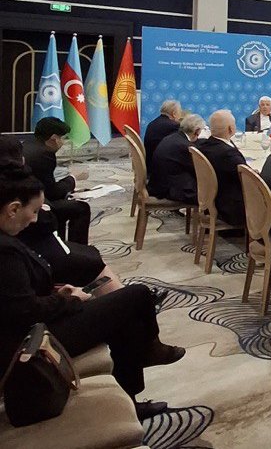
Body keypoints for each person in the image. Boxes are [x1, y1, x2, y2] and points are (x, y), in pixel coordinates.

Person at [0, 165, 185, 420]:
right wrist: (69, 300)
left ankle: (133, 389)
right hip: (29, 343)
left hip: (31, 328)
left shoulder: (8, 242)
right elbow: (25, 311)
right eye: (33, 211)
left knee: (126, 314)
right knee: (138, 296)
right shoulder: (5, 251)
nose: (34, 219)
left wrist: (57, 294)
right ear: (13, 209)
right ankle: (147, 353)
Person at [0, 137, 121, 294]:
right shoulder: (19, 182)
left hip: (34, 244)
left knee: (89, 253)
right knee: (92, 262)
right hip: (34, 251)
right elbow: (46, 212)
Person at [21, 117, 90, 244]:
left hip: (25, 197)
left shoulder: (29, 144)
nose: (63, 143)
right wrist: (73, 178)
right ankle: (77, 247)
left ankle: (62, 244)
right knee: (81, 208)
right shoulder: (44, 154)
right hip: (33, 205)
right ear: (53, 138)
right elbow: (52, 192)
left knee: (66, 202)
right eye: (62, 138)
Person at [195, 110, 246, 227]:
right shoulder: (228, 154)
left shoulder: (204, 146)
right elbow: (247, 179)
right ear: (231, 129)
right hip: (230, 208)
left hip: (211, 200)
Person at [147, 113, 205, 203]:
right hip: (170, 190)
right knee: (210, 193)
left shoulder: (172, 137)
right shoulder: (185, 147)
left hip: (158, 183)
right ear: (197, 131)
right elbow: (198, 172)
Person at [143, 99, 182, 166]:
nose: (180, 115)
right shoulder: (173, 126)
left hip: (150, 161)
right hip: (160, 165)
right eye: (180, 112)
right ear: (174, 113)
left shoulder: (152, 123)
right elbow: (179, 146)